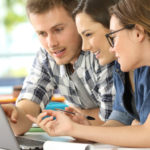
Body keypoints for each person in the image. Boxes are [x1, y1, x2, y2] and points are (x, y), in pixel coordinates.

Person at [27, 0, 150, 148]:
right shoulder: (122, 68)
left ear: (138, 33)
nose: (84, 47)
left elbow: (146, 134)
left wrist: (139, 130)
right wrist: (86, 131)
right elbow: (121, 119)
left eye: (112, 36)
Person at [1, 0, 116, 135]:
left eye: (58, 30)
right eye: (42, 33)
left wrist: (75, 119)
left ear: (79, 21)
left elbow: (113, 119)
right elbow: (27, 110)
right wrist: (12, 116)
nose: (51, 43)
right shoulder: (47, 56)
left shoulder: (101, 52)